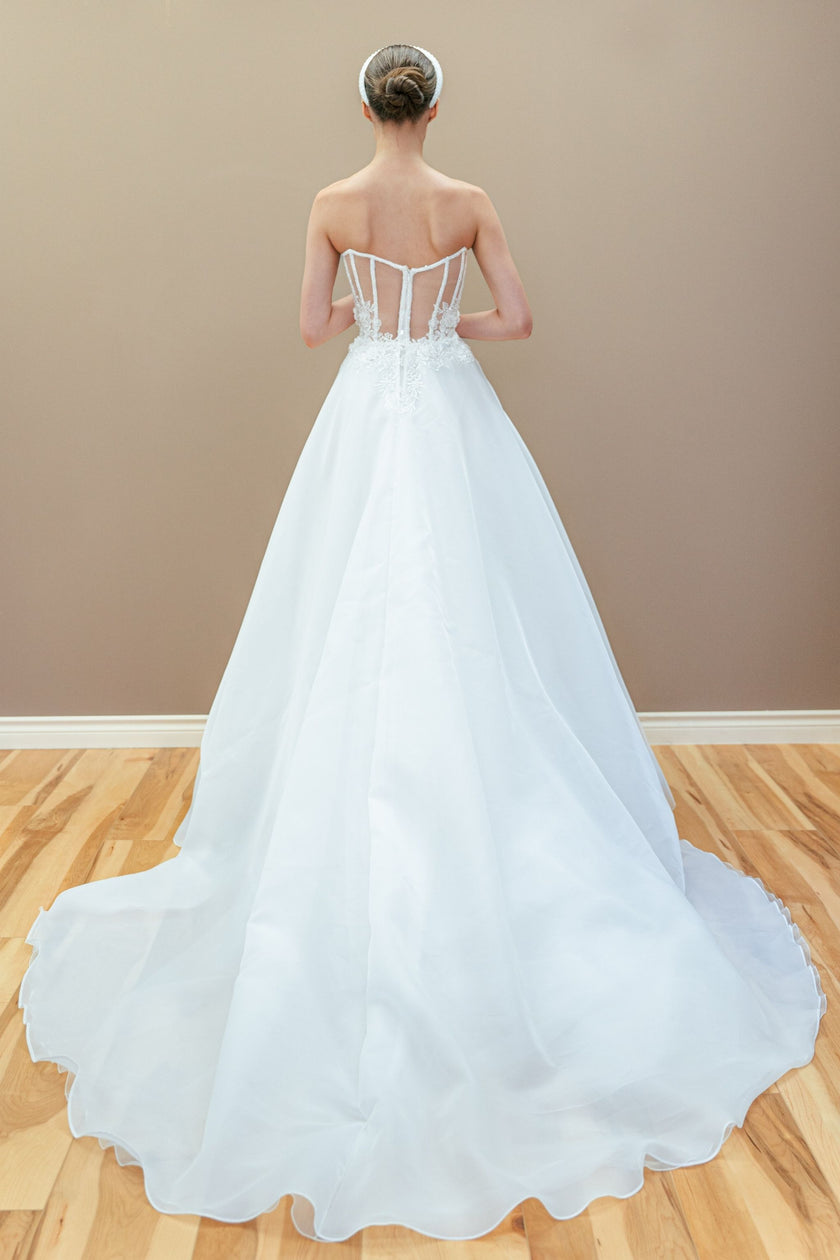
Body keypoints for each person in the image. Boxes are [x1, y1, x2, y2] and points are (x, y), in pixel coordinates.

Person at [19, 42, 826, 1246]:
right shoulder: (469, 203)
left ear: (365, 104)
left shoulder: (334, 206)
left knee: (346, 610)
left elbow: (309, 328)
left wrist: (363, 305)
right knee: (476, 614)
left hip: (366, 407)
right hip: (446, 405)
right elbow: (522, 314)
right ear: (435, 106)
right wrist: (439, 322)